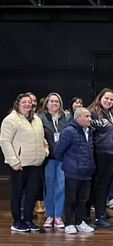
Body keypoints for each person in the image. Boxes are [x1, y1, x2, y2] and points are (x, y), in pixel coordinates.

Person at [0, 93, 48, 232]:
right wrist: (13, 161)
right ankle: (17, 222)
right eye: (24, 102)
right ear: (18, 104)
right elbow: (4, 142)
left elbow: (42, 139)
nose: (28, 104)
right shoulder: (10, 120)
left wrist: (45, 153)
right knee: (17, 193)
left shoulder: (37, 119)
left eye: (30, 102)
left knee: (32, 193)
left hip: (35, 164)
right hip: (19, 165)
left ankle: (28, 219)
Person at [53, 107, 95, 234]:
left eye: (90, 116)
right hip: (73, 171)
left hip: (87, 171)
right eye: (87, 116)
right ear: (78, 118)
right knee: (71, 199)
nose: (90, 119)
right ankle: (69, 223)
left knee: (83, 199)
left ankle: (79, 221)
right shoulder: (69, 131)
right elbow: (58, 151)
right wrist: (70, 163)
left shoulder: (90, 131)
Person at [87, 88, 113, 228]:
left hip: (111, 155)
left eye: (111, 99)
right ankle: (86, 216)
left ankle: (100, 215)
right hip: (98, 154)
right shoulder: (93, 113)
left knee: (104, 187)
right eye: (106, 98)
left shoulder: (112, 114)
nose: (109, 101)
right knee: (93, 186)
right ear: (100, 98)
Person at [39, 93, 69, 229]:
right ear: (46, 103)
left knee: (61, 187)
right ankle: (49, 215)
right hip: (49, 159)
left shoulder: (66, 117)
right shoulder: (40, 118)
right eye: (51, 101)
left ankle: (58, 216)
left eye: (57, 101)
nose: (54, 103)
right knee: (49, 187)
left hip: (63, 158)